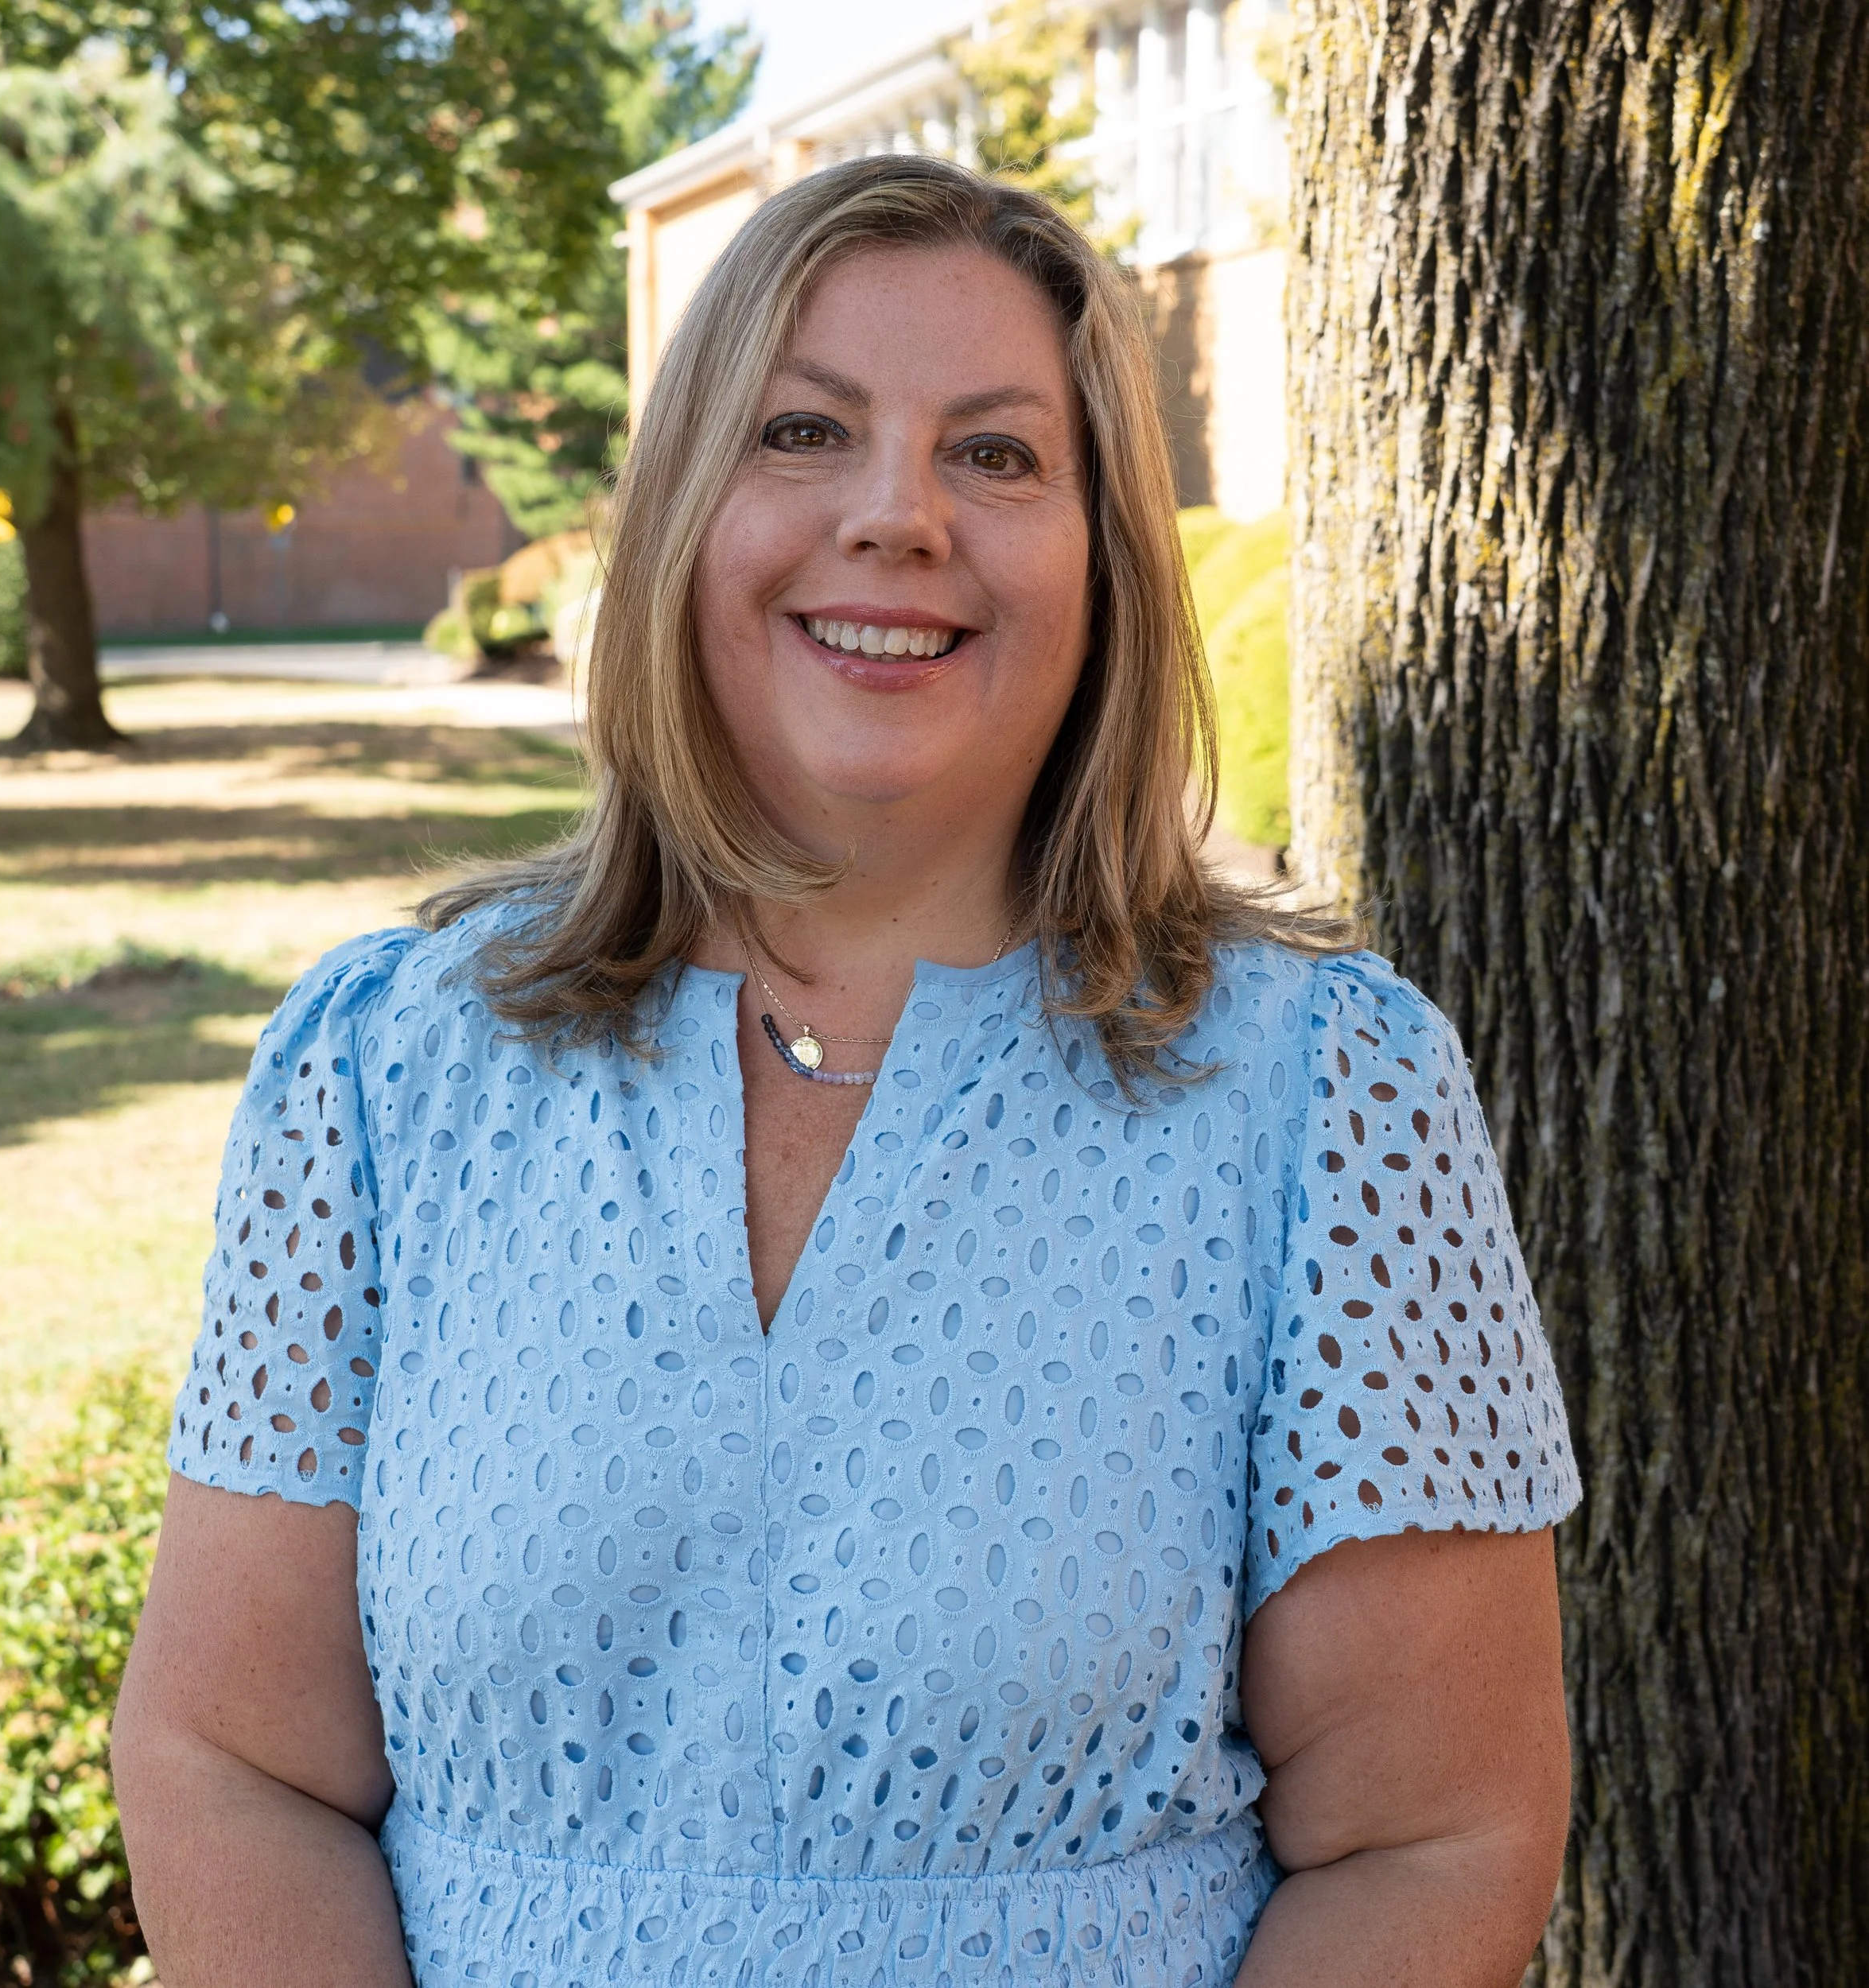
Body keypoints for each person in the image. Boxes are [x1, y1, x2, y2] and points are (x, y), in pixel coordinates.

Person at [111, 155, 1580, 1988]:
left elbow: (1433, 1833)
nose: (896, 516)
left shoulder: (1327, 1099)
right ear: (679, 515)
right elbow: (231, 1759)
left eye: (995, 453)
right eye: (802, 432)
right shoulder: (387, 1071)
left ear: (1107, 556)